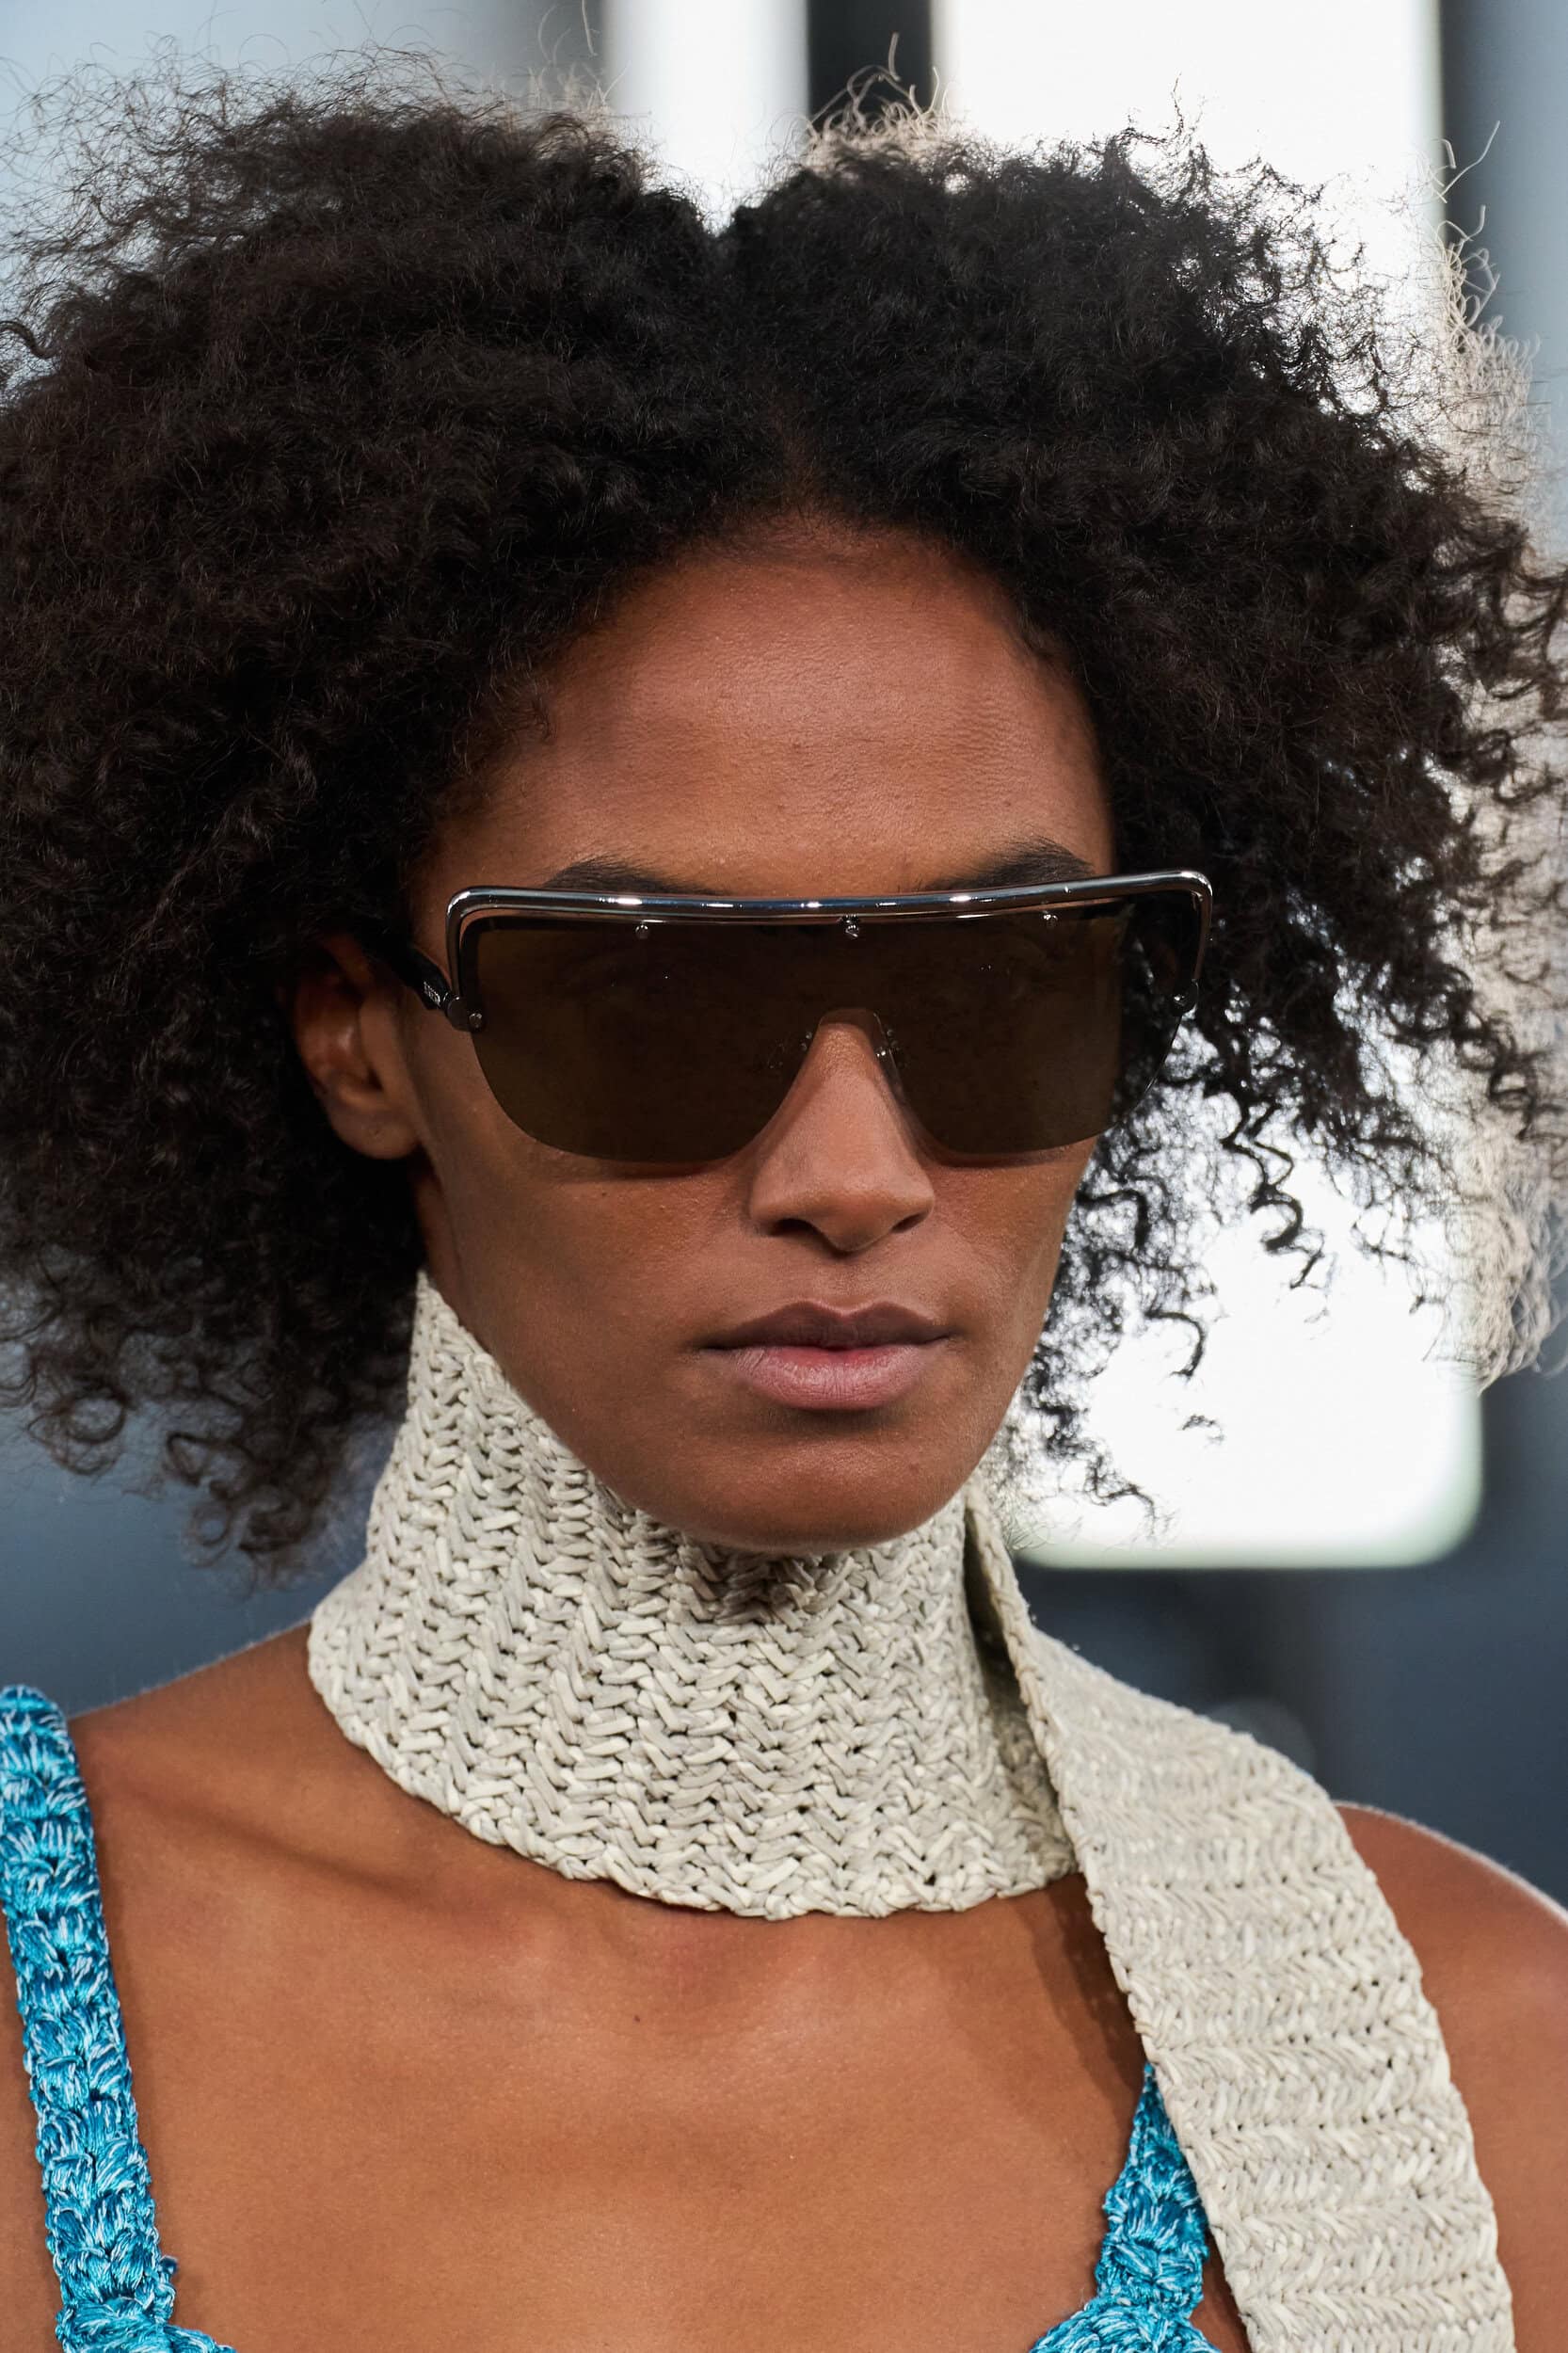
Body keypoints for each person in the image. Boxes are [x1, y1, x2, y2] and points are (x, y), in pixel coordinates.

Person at [0, 43, 1565, 2353]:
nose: (853, 1173)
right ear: (357, 1034)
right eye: (653, 991)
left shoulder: (1487, 2072)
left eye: (1003, 980)